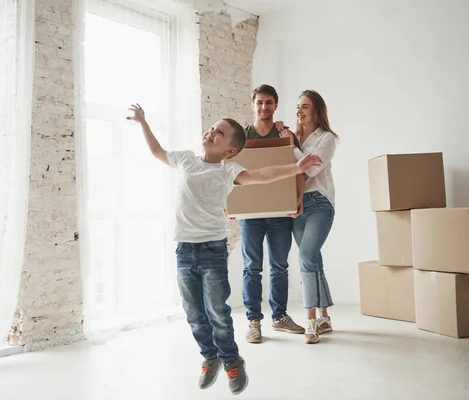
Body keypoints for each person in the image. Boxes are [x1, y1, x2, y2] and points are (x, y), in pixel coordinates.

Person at [126, 103, 322, 393]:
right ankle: (209, 357)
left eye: (220, 133)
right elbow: (157, 152)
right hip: (184, 251)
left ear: (230, 150)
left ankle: (231, 360)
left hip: (212, 251)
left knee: (217, 311)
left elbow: (262, 175)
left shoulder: (228, 170)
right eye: (212, 128)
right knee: (193, 312)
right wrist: (143, 122)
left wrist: (296, 167)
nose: (212, 133)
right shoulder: (185, 159)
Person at [239, 84, 306, 344]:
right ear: (253, 104)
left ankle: (279, 317)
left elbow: (297, 168)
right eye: (259, 102)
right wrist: (229, 203)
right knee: (251, 268)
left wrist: (297, 198)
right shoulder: (242, 135)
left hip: (280, 212)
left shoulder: (285, 134)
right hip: (250, 214)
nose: (264, 107)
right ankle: (254, 322)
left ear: (275, 105)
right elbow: (229, 170)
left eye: (269, 102)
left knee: (279, 266)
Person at [280, 90, 338, 344]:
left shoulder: (326, 139)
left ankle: (311, 320)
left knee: (305, 256)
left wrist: (291, 147)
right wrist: (287, 142)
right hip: (297, 204)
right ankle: (325, 317)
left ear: (317, 110)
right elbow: (290, 170)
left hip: (320, 204)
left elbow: (311, 169)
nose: (299, 111)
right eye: (297, 106)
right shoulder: (295, 139)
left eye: (305, 106)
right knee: (313, 258)